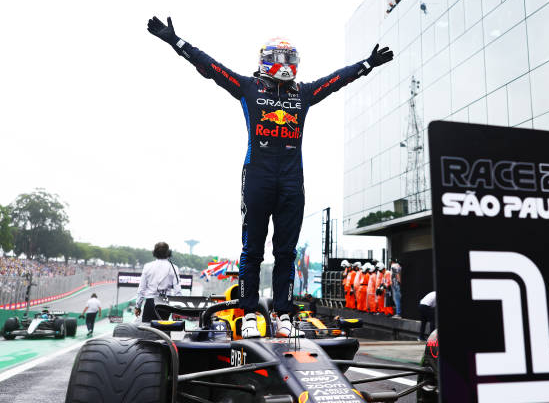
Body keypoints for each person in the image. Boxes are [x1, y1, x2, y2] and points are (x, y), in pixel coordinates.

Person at [147, 17, 393, 338]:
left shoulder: (304, 93)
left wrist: (366, 65)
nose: (286, 64)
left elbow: (336, 80)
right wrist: (175, 41)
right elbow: (211, 67)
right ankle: (249, 314)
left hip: (292, 182)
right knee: (252, 251)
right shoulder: (248, 87)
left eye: (291, 59)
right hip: (258, 179)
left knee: (286, 253)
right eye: (280, 58)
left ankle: (284, 315)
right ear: (266, 60)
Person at [135, 242, 182, 323]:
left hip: (150, 302)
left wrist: (138, 306)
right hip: (166, 304)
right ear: (168, 253)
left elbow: (141, 289)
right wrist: (178, 309)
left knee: (147, 329)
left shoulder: (147, 266)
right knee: (163, 328)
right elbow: (178, 291)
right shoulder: (174, 268)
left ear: (154, 253)